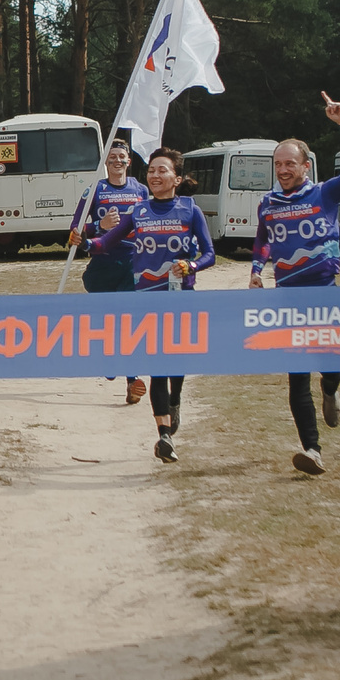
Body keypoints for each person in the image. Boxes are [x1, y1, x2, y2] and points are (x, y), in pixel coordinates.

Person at [252, 92, 340, 475]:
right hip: (288, 297)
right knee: (296, 374)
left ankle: (332, 389)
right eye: (278, 164)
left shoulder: (326, 192)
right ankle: (312, 450)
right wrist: (256, 270)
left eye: (290, 163)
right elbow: (264, 239)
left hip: (325, 293)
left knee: (332, 361)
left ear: (306, 166)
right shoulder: (268, 202)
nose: (283, 169)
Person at [93, 145, 214, 463]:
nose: (155, 175)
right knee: (159, 368)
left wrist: (192, 266)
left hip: (181, 298)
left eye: (162, 170)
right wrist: (87, 241)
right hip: (148, 300)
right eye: (151, 171)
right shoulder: (139, 211)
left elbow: (209, 254)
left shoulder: (190, 209)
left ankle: (175, 401)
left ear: (176, 178)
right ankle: (163, 437)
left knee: (177, 365)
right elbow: (108, 241)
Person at [68, 136, 152, 405]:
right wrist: (98, 225)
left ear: (129, 161)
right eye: (112, 157)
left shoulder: (140, 189)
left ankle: (132, 380)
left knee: (127, 321)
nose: (117, 161)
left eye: (122, 157)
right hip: (103, 263)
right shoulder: (95, 189)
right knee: (107, 321)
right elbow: (74, 230)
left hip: (132, 263)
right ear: (105, 161)